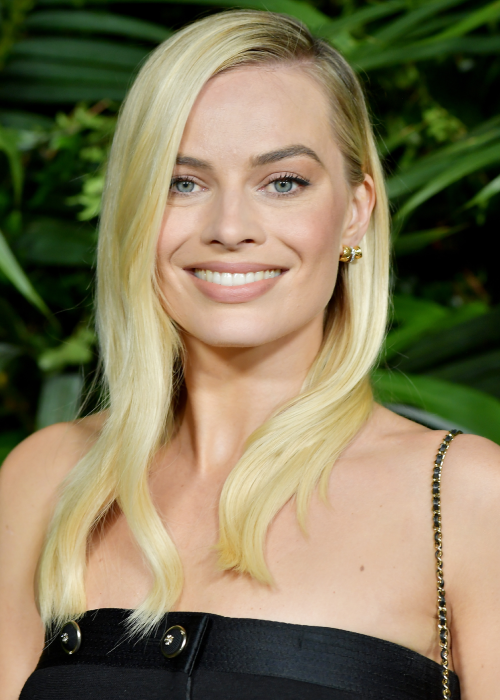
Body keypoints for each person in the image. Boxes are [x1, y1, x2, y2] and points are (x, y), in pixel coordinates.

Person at [1, 10, 499, 700]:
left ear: (355, 211)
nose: (230, 228)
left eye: (283, 182)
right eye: (183, 182)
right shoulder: (48, 478)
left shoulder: (465, 497)